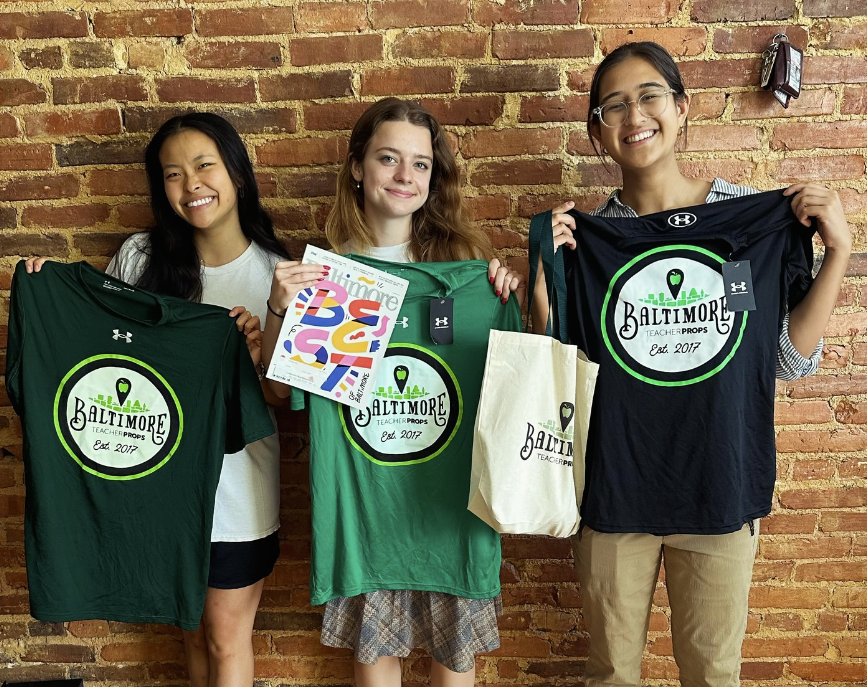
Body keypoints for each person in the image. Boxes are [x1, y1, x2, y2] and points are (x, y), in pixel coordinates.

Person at [532, 42, 850, 687]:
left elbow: (785, 361)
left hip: (719, 486)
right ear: (596, 130)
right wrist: (546, 282)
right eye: (613, 105)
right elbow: (557, 373)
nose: (634, 115)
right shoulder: (585, 241)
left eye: (649, 96)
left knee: (712, 674)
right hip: (614, 491)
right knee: (611, 674)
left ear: (681, 108)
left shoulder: (745, 226)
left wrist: (838, 253)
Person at [261, 97, 525, 687]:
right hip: (366, 528)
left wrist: (514, 298)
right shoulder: (329, 284)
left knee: (455, 671)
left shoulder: (469, 275)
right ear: (358, 167)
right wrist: (280, 309)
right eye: (388, 158)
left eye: (421, 164)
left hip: (451, 521)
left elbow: (519, 391)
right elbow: (280, 393)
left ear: (434, 177)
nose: (406, 175)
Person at [26, 112, 290, 687]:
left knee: (224, 639)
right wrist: (51, 291)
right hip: (157, 487)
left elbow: (282, 400)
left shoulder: (278, 276)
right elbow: (100, 355)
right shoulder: (140, 258)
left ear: (237, 173)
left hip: (238, 494)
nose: (191, 185)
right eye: (173, 174)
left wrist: (255, 354)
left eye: (204, 166)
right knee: (190, 634)